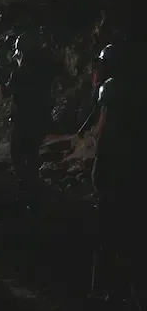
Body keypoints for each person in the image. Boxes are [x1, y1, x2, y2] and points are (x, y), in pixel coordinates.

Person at [82, 42, 145, 302]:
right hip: (134, 173)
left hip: (115, 174)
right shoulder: (136, 91)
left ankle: (106, 291)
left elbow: (105, 136)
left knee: (109, 236)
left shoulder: (113, 92)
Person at [0, 31, 59, 209]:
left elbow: (5, 92)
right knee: (31, 153)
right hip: (42, 117)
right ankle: (35, 190)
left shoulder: (22, 73)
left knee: (18, 153)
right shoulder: (43, 69)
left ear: (22, 53)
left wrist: (0, 68)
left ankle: (29, 193)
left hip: (25, 119)